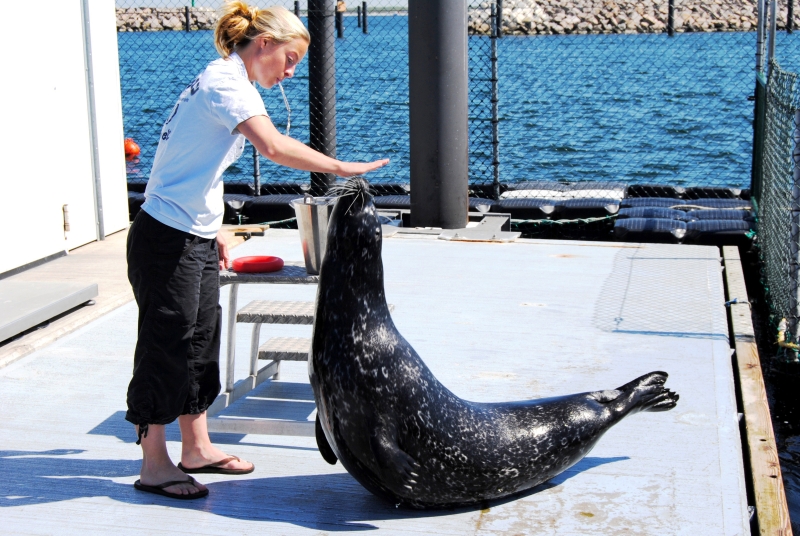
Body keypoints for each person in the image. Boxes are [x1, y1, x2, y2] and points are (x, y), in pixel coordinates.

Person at [127, 0, 388, 500]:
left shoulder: (231, 81)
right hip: (165, 238)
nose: (291, 72)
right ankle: (154, 463)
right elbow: (272, 146)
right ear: (263, 44)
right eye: (289, 59)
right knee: (168, 344)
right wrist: (339, 167)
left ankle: (196, 447)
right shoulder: (226, 84)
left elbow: (190, 164)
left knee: (201, 340)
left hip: (194, 233)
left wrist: (218, 226)